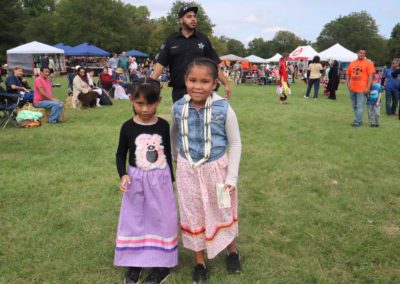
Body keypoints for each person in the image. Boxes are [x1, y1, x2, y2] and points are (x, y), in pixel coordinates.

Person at [171, 58, 241, 283]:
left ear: (214, 84)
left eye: (205, 81)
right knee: (193, 213)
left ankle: (232, 252)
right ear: (185, 81)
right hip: (188, 170)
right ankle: (199, 262)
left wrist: (232, 177)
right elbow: (173, 135)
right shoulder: (178, 107)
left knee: (223, 208)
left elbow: (236, 143)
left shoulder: (224, 108)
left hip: (217, 171)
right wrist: (177, 160)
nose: (198, 86)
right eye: (193, 80)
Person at [115, 78, 178, 284]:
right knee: (136, 221)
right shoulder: (127, 127)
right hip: (136, 181)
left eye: (150, 104)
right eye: (140, 103)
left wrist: (171, 180)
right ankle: (135, 264)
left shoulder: (162, 125)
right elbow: (120, 153)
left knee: (161, 219)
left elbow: (167, 152)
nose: (145, 108)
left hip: (160, 180)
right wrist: (123, 174)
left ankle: (162, 266)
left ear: (158, 102)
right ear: (132, 100)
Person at [151, 6, 231, 103]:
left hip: (200, 90)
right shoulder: (171, 40)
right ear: (181, 20)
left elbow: (214, 64)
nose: (193, 19)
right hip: (179, 92)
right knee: (180, 118)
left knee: (202, 118)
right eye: (189, 16)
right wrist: (150, 82)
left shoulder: (203, 39)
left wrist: (226, 83)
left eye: (194, 16)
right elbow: (160, 64)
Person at [346, 49, 375, 127]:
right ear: (357, 53)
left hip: (362, 89)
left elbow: (370, 76)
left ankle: (357, 121)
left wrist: (368, 87)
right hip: (352, 88)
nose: (362, 54)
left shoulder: (369, 63)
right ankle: (359, 119)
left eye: (364, 53)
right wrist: (348, 84)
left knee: (360, 105)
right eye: (361, 53)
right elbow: (347, 74)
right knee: (354, 105)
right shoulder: (352, 63)